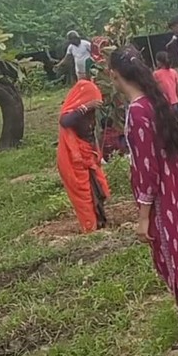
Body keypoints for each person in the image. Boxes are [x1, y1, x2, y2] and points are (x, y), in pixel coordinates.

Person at [110, 46, 178, 352]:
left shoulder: (137, 112)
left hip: (165, 196)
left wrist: (143, 216)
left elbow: (146, 167)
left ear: (114, 76)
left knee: (174, 261)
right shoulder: (155, 102)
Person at [57, 59, 110, 233]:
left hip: (89, 156)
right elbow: (64, 121)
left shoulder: (90, 113)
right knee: (85, 194)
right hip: (77, 159)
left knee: (98, 190)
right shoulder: (75, 112)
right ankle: (90, 227)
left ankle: (100, 221)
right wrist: (85, 107)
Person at [153, 51, 178, 118]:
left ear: (159, 62)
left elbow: (155, 87)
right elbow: (177, 86)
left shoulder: (156, 74)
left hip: (164, 102)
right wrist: (177, 98)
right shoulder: (173, 72)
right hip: (175, 101)